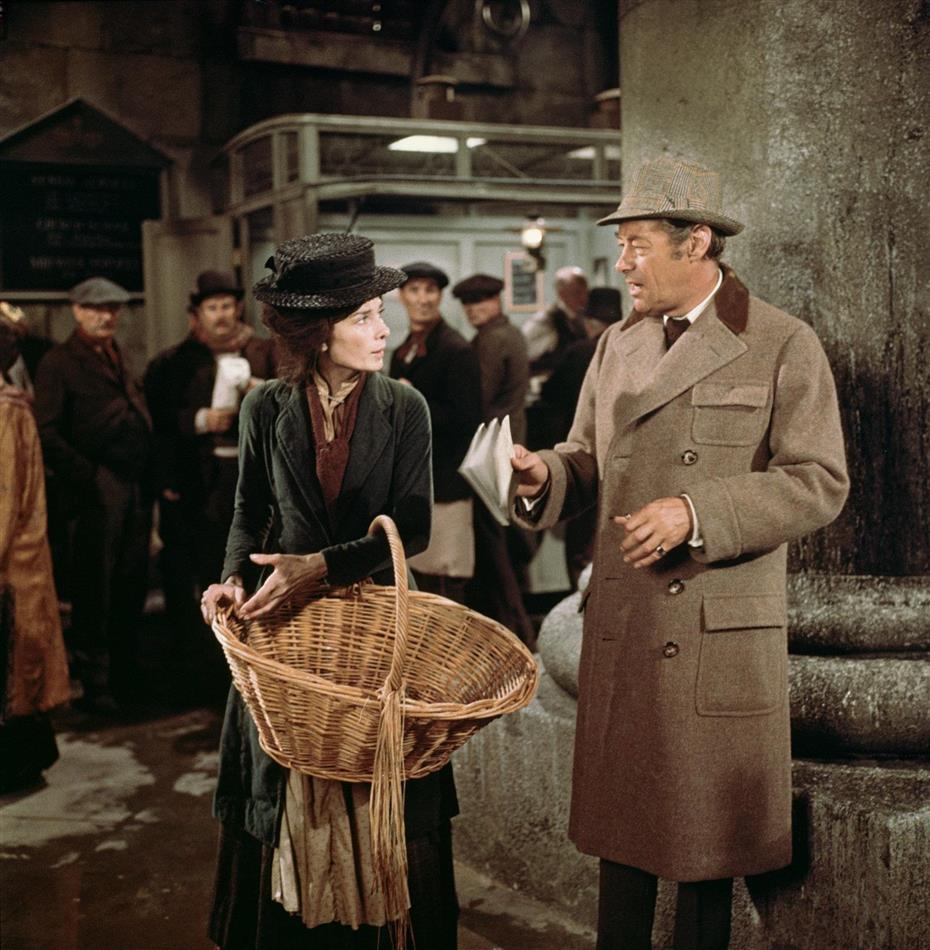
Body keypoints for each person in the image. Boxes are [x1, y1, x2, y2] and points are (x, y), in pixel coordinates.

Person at [510, 156, 850, 949]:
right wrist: (543, 475)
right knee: (622, 852)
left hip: (710, 634)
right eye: (620, 246)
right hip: (627, 623)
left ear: (695, 242)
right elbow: (585, 456)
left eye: (636, 245)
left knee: (703, 859)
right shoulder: (616, 345)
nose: (622, 264)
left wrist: (697, 511)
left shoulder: (780, 342)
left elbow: (818, 481)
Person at [200, 234, 459, 949]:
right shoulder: (265, 407)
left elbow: (413, 529)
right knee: (282, 784)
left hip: (376, 630)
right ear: (318, 333)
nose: (384, 331)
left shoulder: (404, 408)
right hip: (285, 631)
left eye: (381, 314)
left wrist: (321, 565)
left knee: (385, 790)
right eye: (364, 318)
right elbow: (249, 511)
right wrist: (230, 579)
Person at [34, 277, 152, 712]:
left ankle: (126, 675)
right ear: (77, 311)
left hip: (132, 483)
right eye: (97, 309)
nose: (106, 317)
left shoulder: (118, 353)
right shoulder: (59, 362)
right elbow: (46, 432)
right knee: (95, 587)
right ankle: (96, 683)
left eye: (113, 309)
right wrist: (89, 476)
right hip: (96, 491)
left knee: (130, 581)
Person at [144, 270, 276, 658]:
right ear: (197, 315)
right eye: (212, 307)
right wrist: (199, 420)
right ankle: (193, 656)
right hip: (194, 481)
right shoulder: (173, 363)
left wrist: (260, 393)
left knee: (244, 561)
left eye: (227, 306)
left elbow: (290, 404)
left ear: (238, 309)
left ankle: (246, 651)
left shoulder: (263, 352)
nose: (221, 315)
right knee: (191, 565)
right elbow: (156, 421)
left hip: (249, 476)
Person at [0, 321, 71, 794]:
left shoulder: (6, 413)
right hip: (13, 561)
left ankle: (18, 766)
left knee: (15, 673)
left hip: (12, 565)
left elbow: (4, 499)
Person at [389, 261, 482, 604]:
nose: (423, 299)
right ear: (402, 296)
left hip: (447, 483)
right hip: (419, 482)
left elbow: (467, 420)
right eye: (414, 290)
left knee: (447, 578)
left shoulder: (456, 349)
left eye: (430, 290)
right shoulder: (404, 349)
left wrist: (413, 401)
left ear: (440, 296)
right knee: (421, 577)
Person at [452, 273, 535, 647]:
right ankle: (517, 627)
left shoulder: (490, 340)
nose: (473, 310)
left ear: (497, 301)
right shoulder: (511, 333)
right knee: (506, 541)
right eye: (467, 304)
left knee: (494, 546)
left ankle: (513, 632)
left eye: (480, 302)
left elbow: (477, 399)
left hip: (491, 449)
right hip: (510, 442)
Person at [539, 286, 622, 588]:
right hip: (620, 465)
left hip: (581, 458)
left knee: (579, 544)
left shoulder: (580, 351)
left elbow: (549, 393)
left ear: (589, 322)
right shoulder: (631, 351)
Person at [521, 266, 589, 451]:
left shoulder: (581, 320)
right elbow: (524, 355)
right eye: (577, 292)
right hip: (550, 404)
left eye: (585, 291)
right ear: (561, 293)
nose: (583, 297)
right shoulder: (546, 321)